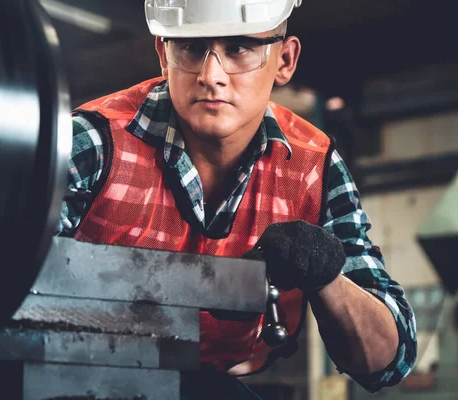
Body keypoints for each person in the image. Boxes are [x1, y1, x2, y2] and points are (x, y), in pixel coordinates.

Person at [57, 0, 417, 398]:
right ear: (163, 53)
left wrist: (326, 274)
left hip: (205, 383)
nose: (211, 75)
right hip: (67, 373)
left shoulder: (313, 169)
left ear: (285, 59)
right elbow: (1, 294)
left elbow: (389, 360)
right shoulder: (90, 144)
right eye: (191, 48)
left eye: (239, 48)